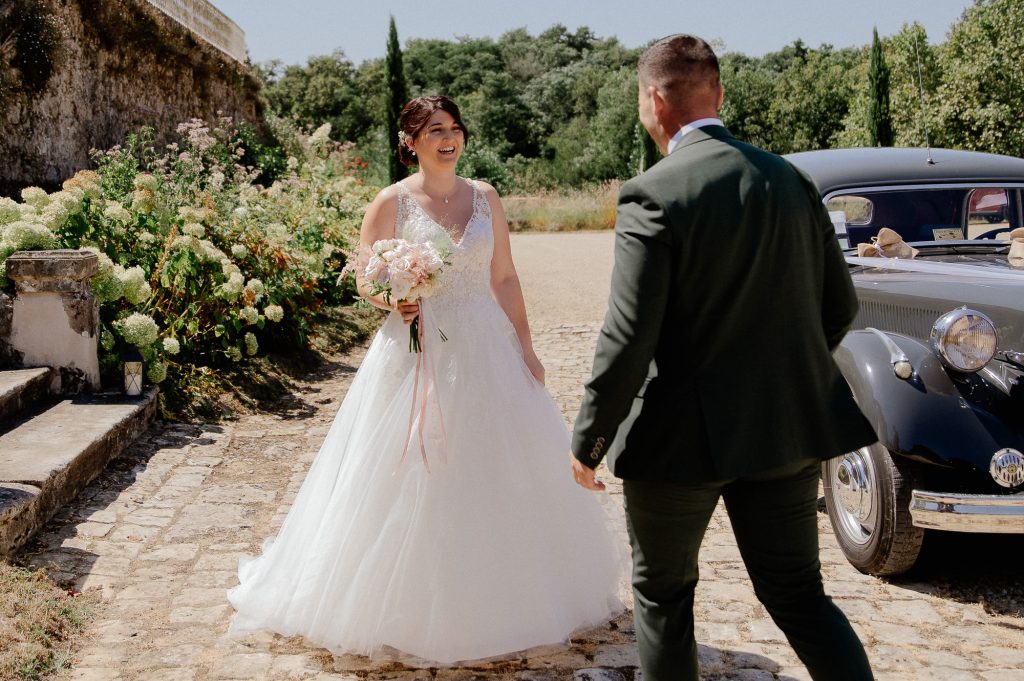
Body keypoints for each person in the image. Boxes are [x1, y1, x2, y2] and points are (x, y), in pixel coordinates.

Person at [228, 95, 623, 664]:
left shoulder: (486, 197)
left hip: (486, 344)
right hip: (414, 351)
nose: (448, 138)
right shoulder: (390, 202)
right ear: (410, 140)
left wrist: (527, 348)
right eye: (435, 130)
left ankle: (505, 594)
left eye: (455, 128)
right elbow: (366, 279)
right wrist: (397, 298)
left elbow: (505, 277)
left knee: (494, 464)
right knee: (409, 466)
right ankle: (402, 601)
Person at [568, 35, 877, 681]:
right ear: (720, 93)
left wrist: (591, 435)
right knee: (797, 593)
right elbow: (840, 306)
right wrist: (782, 375)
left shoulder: (652, 192)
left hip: (679, 443)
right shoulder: (792, 180)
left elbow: (628, 336)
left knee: (664, 596)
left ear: (652, 99)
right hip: (786, 430)